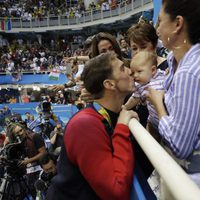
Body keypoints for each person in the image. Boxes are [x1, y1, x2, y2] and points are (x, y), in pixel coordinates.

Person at [47, 52, 138, 200]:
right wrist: (122, 128)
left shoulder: (103, 115)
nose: (130, 71)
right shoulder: (84, 125)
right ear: (109, 84)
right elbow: (116, 192)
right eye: (123, 68)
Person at [146, 0, 200, 189]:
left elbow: (180, 145)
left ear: (178, 24)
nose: (156, 28)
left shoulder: (189, 72)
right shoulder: (175, 59)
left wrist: (158, 104)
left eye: (160, 21)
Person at [124, 51, 166, 140]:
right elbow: (135, 98)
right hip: (151, 121)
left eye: (139, 71)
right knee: (149, 141)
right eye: (133, 72)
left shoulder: (163, 76)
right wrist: (125, 107)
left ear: (153, 70)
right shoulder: (139, 85)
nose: (135, 76)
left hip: (165, 119)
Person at [6, 122, 46, 198]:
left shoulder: (35, 136)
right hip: (28, 174)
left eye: (21, 130)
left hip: (40, 170)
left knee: (42, 194)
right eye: (17, 133)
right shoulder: (16, 144)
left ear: (23, 129)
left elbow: (43, 153)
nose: (20, 133)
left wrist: (28, 161)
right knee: (33, 195)